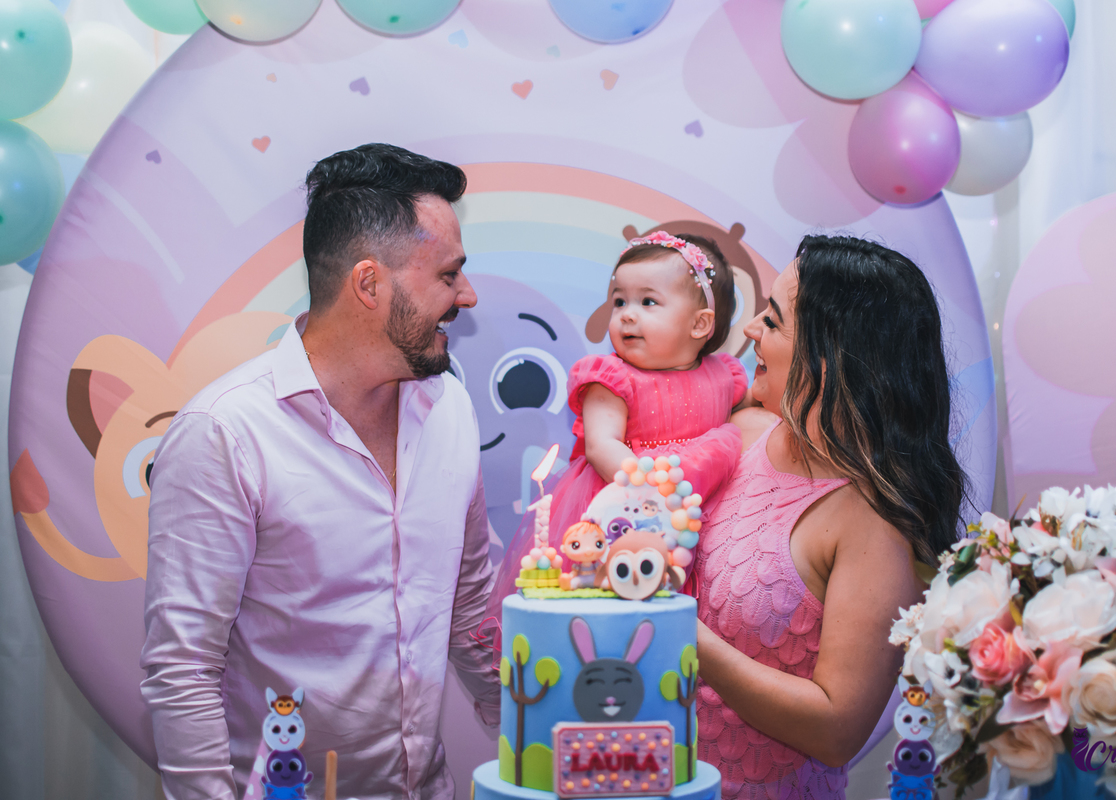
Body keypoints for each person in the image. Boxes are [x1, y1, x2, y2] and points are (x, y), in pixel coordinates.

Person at [140, 144, 500, 800]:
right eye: (449, 274)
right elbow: (183, 670)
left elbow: (469, 602)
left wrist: (541, 742)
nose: (467, 295)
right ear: (369, 284)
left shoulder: (450, 406)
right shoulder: (224, 433)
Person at [693, 235, 967, 800]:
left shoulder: (876, 521)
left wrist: (683, 637)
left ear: (829, 355)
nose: (749, 331)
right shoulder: (739, 437)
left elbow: (838, 728)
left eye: (772, 320)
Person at [544, 231, 747, 544]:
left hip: (701, 510)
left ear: (699, 324)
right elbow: (602, 446)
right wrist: (654, 497)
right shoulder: (611, 379)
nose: (627, 314)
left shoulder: (724, 375)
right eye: (620, 301)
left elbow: (747, 425)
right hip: (627, 510)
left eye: (647, 301)